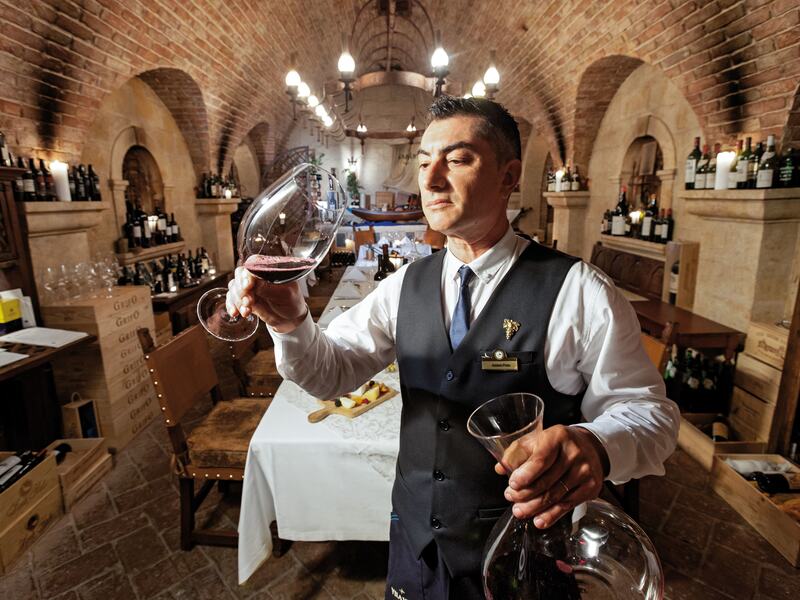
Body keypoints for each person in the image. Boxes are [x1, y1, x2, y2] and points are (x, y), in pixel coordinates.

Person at [226, 96, 679, 599]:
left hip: (524, 556)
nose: (431, 179)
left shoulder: (578, 291)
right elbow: (330, 373)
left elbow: (650, 413)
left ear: (509, 177)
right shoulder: (404, 287)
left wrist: (595, 444)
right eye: (423, 162)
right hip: (416, 545)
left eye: (458, 159)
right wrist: (291, 323)